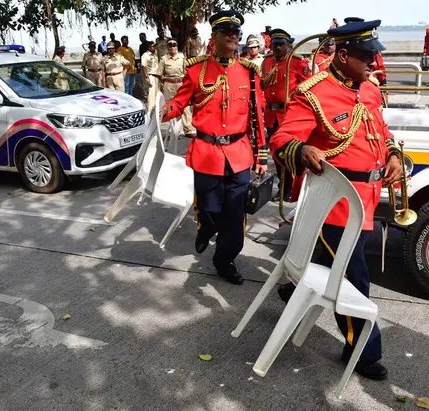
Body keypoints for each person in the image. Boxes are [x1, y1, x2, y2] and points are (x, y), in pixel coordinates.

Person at [270, 18, 403, 381]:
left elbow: (382, 130)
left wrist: (391, 153)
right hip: (336, 205)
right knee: (353, 278)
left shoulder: (369, 89)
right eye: (366, 56)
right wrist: (303, 149)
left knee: (333, 266)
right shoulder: (312, 92)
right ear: (343, 56)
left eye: (374, 55)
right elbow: (281, 141)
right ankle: (361, 350)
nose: (374, 63)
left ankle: (291, 289)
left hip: (369, 198)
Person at [161, 10, 268, 285]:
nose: (234, 36)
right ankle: (205, 227)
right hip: (207, 153)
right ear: (215, 36)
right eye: (228, 32)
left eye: (237, 32)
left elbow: (257, 116)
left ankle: (224, 260)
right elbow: (180, 102)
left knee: (235, 216)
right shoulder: (196, 70)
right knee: (210, 210)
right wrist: (163, 111)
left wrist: (261, 155)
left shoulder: (248, 71)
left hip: (239, 153)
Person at [261, 28, 311, 202]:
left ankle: (289, 188)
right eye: (274, 44)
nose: (277, 48)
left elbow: (308, 88)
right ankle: (283, 187)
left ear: (288, 45)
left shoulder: (297, 62)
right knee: (276, 153)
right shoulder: (267, 61)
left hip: (288, 114)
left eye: (281, 44)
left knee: (288, 152)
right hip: (271, 114)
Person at [157, 38, 194, 136]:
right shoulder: (163, 59)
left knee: (185, 105)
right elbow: (159, 74)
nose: (172, 47)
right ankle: (173, 130)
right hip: (168, 84)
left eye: (174, 45)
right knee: (169, 107)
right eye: (170, 45)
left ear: (177, 47)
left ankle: (188, 129)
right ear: (167, 48)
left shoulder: (182, 58)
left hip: (180, 84)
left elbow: (187, 72)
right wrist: (163, 85)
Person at [141, 41, 160, 115]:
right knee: (151, 94)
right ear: (149, 48)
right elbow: (144, 67)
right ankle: (150, 111)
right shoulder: (145, 55)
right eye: (153, 46)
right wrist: (147, 77)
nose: (154, 47)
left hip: (156, 76)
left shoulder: (155, 55)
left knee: (156, 93)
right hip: (150, 75)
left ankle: (156, 110)